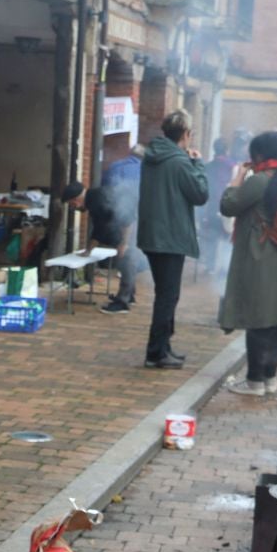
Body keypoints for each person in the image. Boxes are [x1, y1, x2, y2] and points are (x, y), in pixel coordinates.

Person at [217, 131, 277, 394]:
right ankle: (270, 379)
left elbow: (228, 205)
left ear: (259, 155)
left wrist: (237, 177)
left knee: (258, 318)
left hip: (265, 256)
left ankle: (255, 381)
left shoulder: (260, 181)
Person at [135, 109, 209, 369]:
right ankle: (156, 352)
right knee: (167, 296)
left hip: (153, 234)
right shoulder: (179, 162)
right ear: (186, 135)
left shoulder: (153, 156)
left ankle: (164, 346)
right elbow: (200, 194)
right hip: (170, 236)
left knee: (166, 294)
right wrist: (198, 164)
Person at [96, 150, 143, 313]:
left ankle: (124, 300)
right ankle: (129, 294)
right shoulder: (143, 169)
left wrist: (123, 242)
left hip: (127, 215)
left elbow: (127, 214)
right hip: (138, 215)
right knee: (130, 256)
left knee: (127, 256)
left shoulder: (117, 166)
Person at [199, 137, 236, 280]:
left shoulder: (208, 166)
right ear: (227, 150)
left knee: (212, 237)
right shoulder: (233, 166)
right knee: (227, 237)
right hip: (228, 206)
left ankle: (210, 266)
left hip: (212, 206)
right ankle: (225, 267)